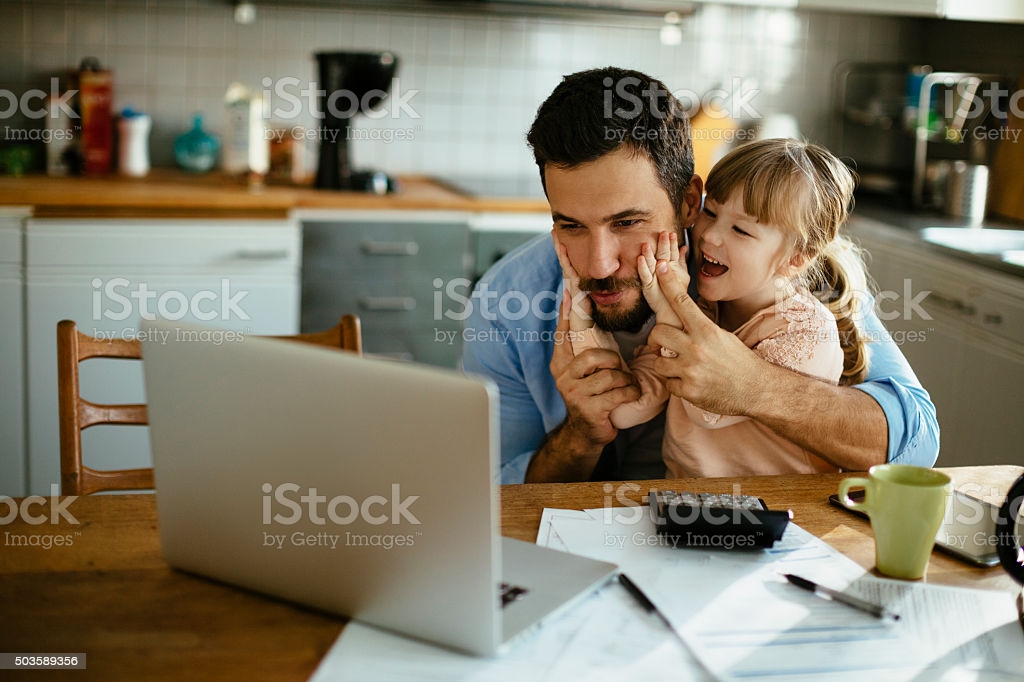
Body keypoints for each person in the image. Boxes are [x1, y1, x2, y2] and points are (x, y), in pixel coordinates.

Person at [460, 66, 938, 484]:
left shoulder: (774, 273)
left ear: (691, 202)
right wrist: (582, 433)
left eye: (628, 223)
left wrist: (754, 386)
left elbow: (915, 440)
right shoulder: (509, 298)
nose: (600, 264)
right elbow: (494, 496)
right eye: (571, 225)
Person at [558, 138, 869, 477]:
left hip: (782, 513)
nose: (710, 236)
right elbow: (626, 411)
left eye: (740, 230)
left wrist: (668, 309)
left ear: (796, 259)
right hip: (692, 508)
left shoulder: (806, 331)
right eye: (711, 212)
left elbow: (707, 408)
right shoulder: (704, 310)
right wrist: (583, 316)